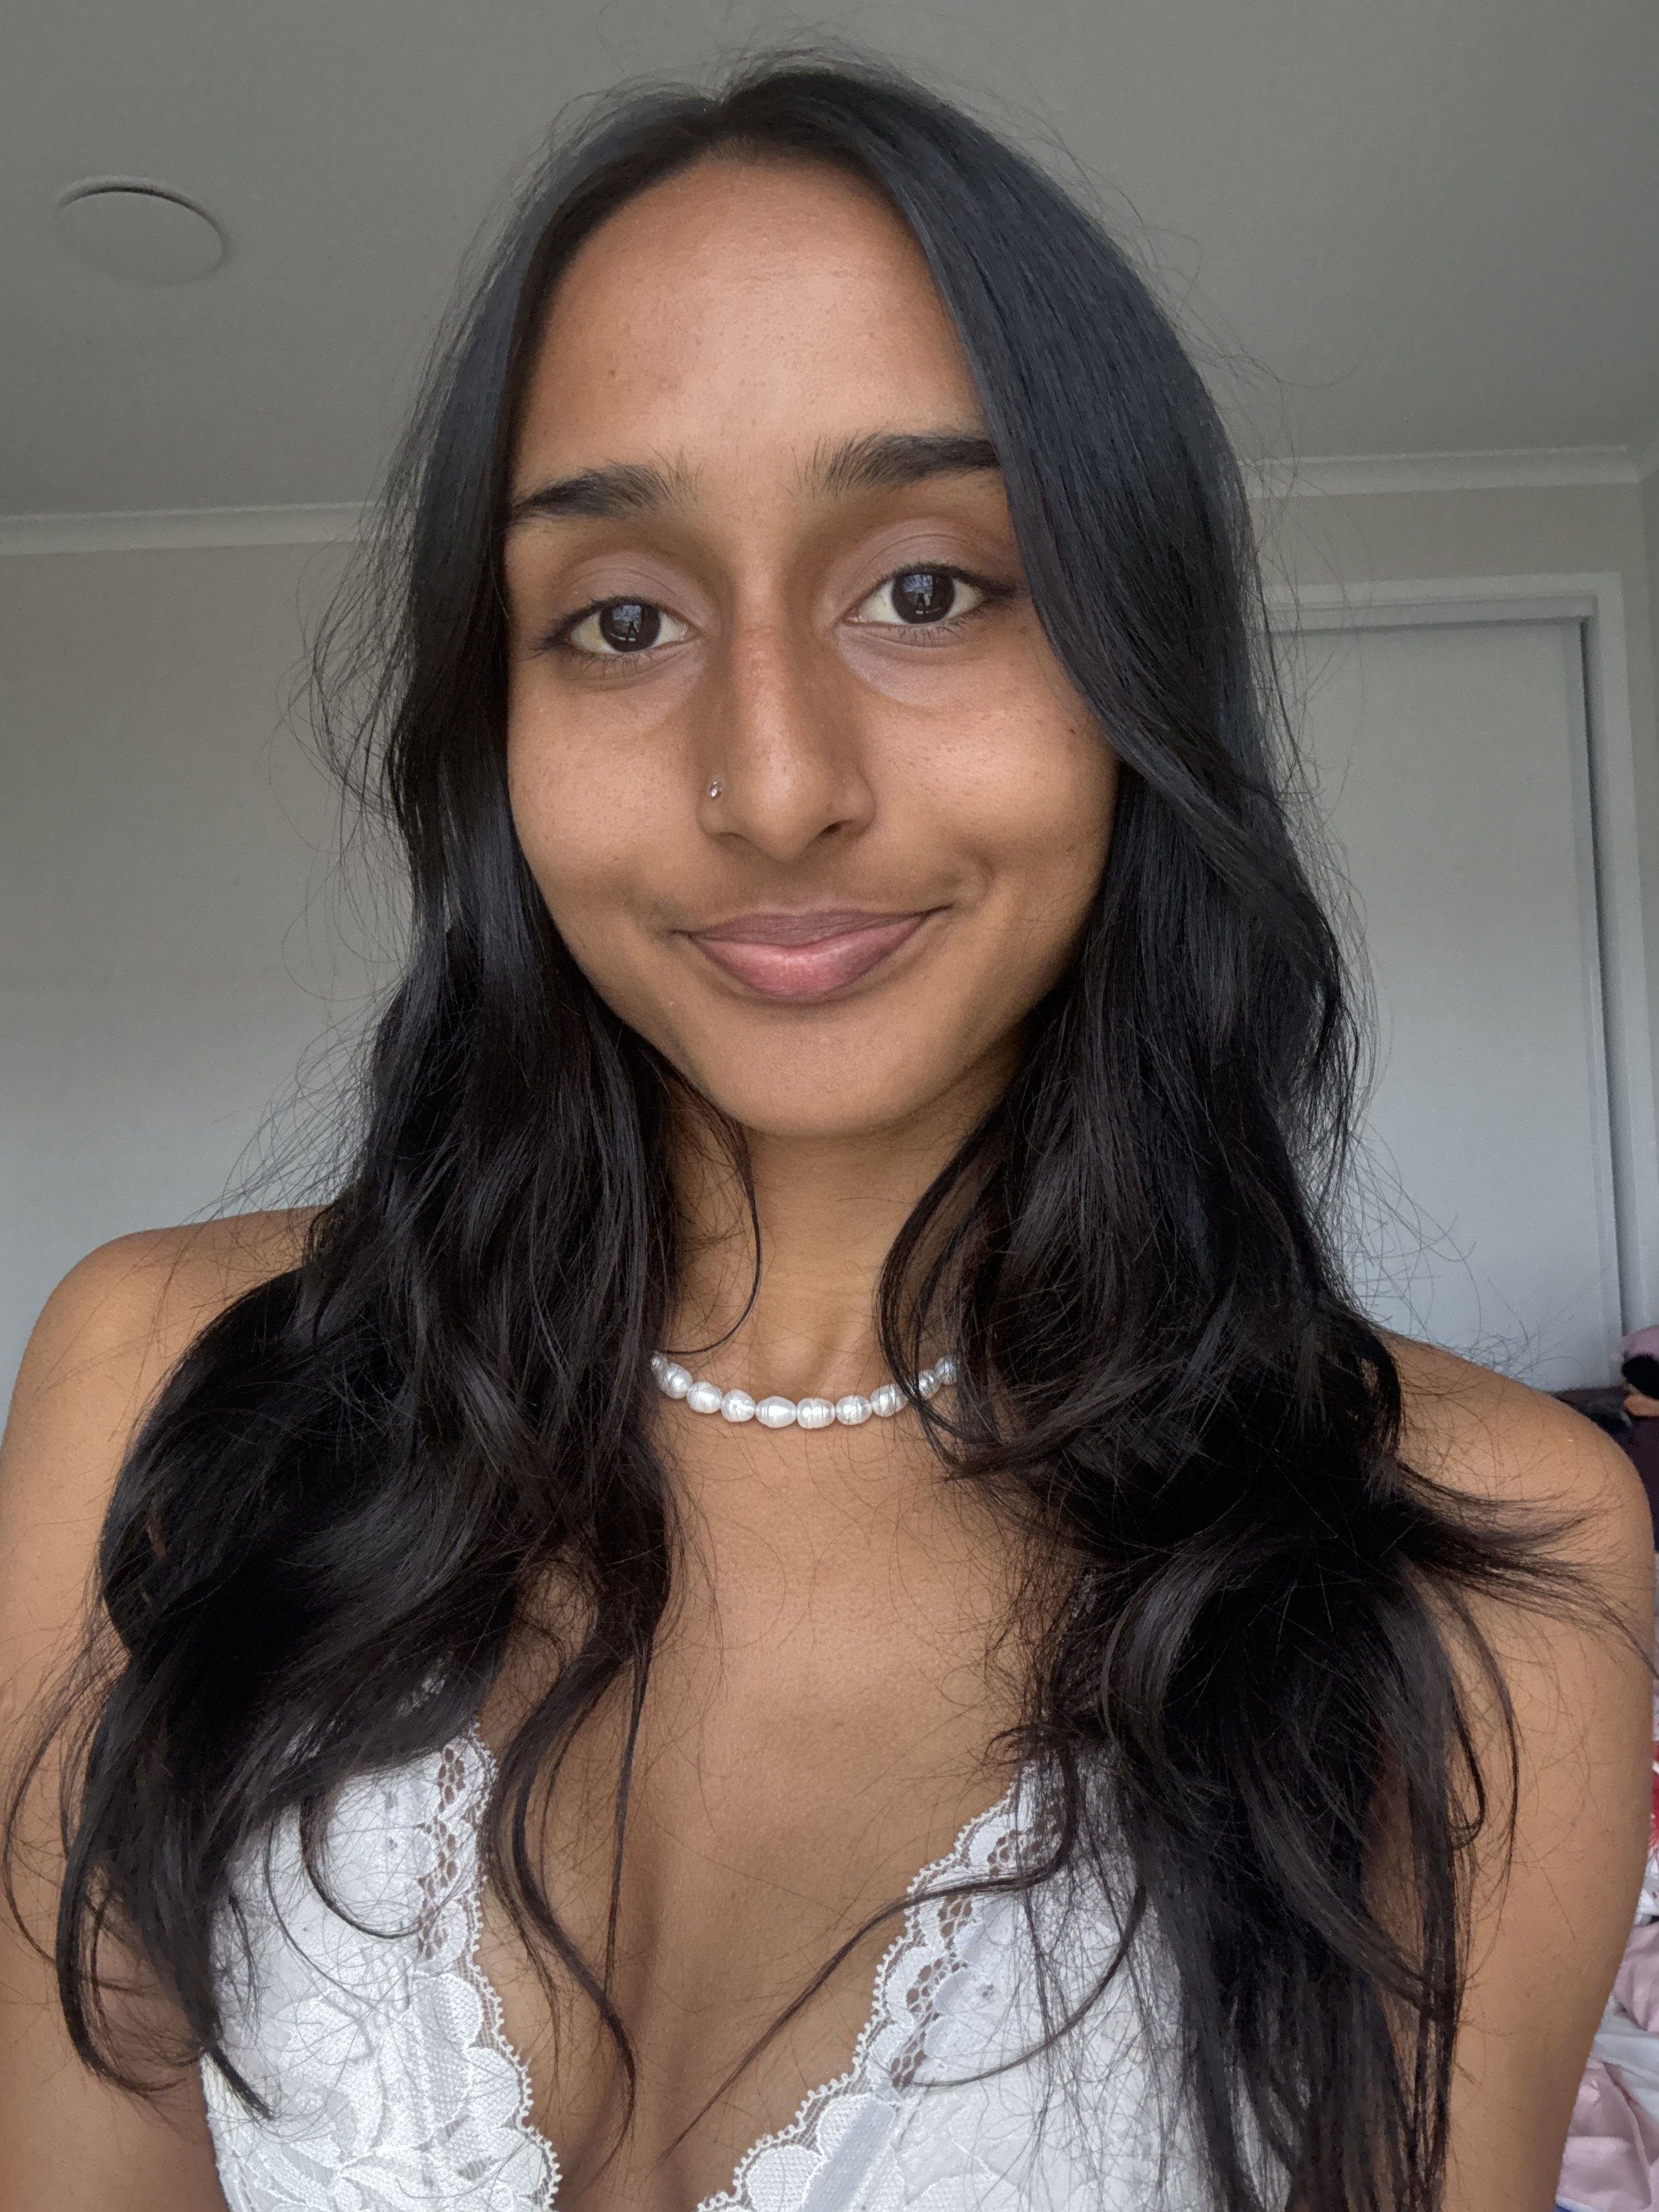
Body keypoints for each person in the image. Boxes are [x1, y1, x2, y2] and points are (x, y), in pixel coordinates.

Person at [0, 54, 1650, 2212]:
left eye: (932, 587)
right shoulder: (156, 1379)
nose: (771, 785)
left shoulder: (1481, 1557)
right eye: (620, 618)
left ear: (1139, 670)